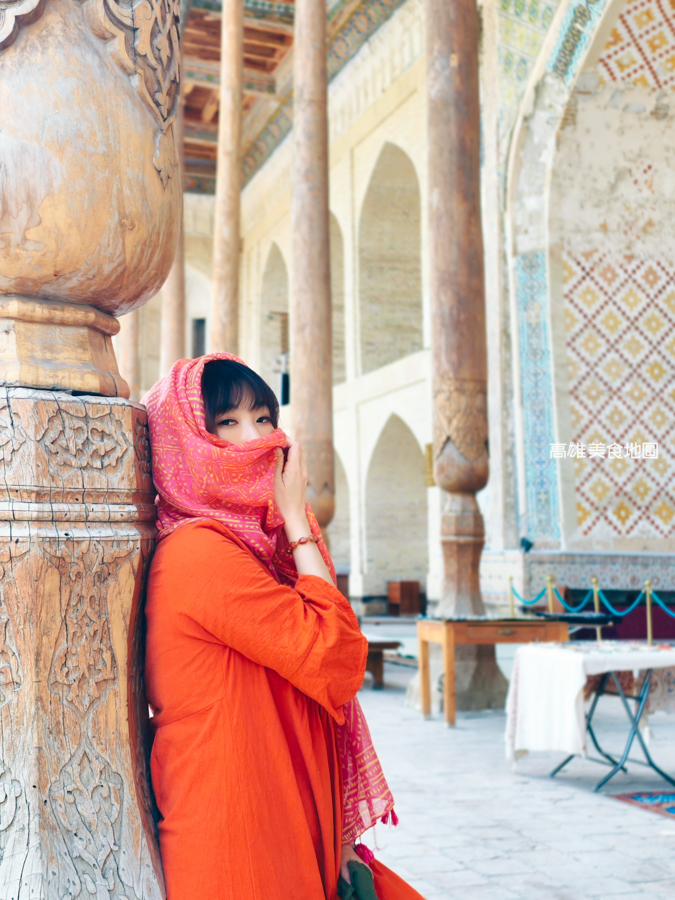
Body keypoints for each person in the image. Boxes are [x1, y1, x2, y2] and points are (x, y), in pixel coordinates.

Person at [143, 352, 426, 900]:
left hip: (277, 807)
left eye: (264, 420)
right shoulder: (200, 553)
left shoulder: (251, 551)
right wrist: (297, 520)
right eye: (227, 424)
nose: (256, 441)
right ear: (184, 444)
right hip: (240, 836)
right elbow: (336, 659)